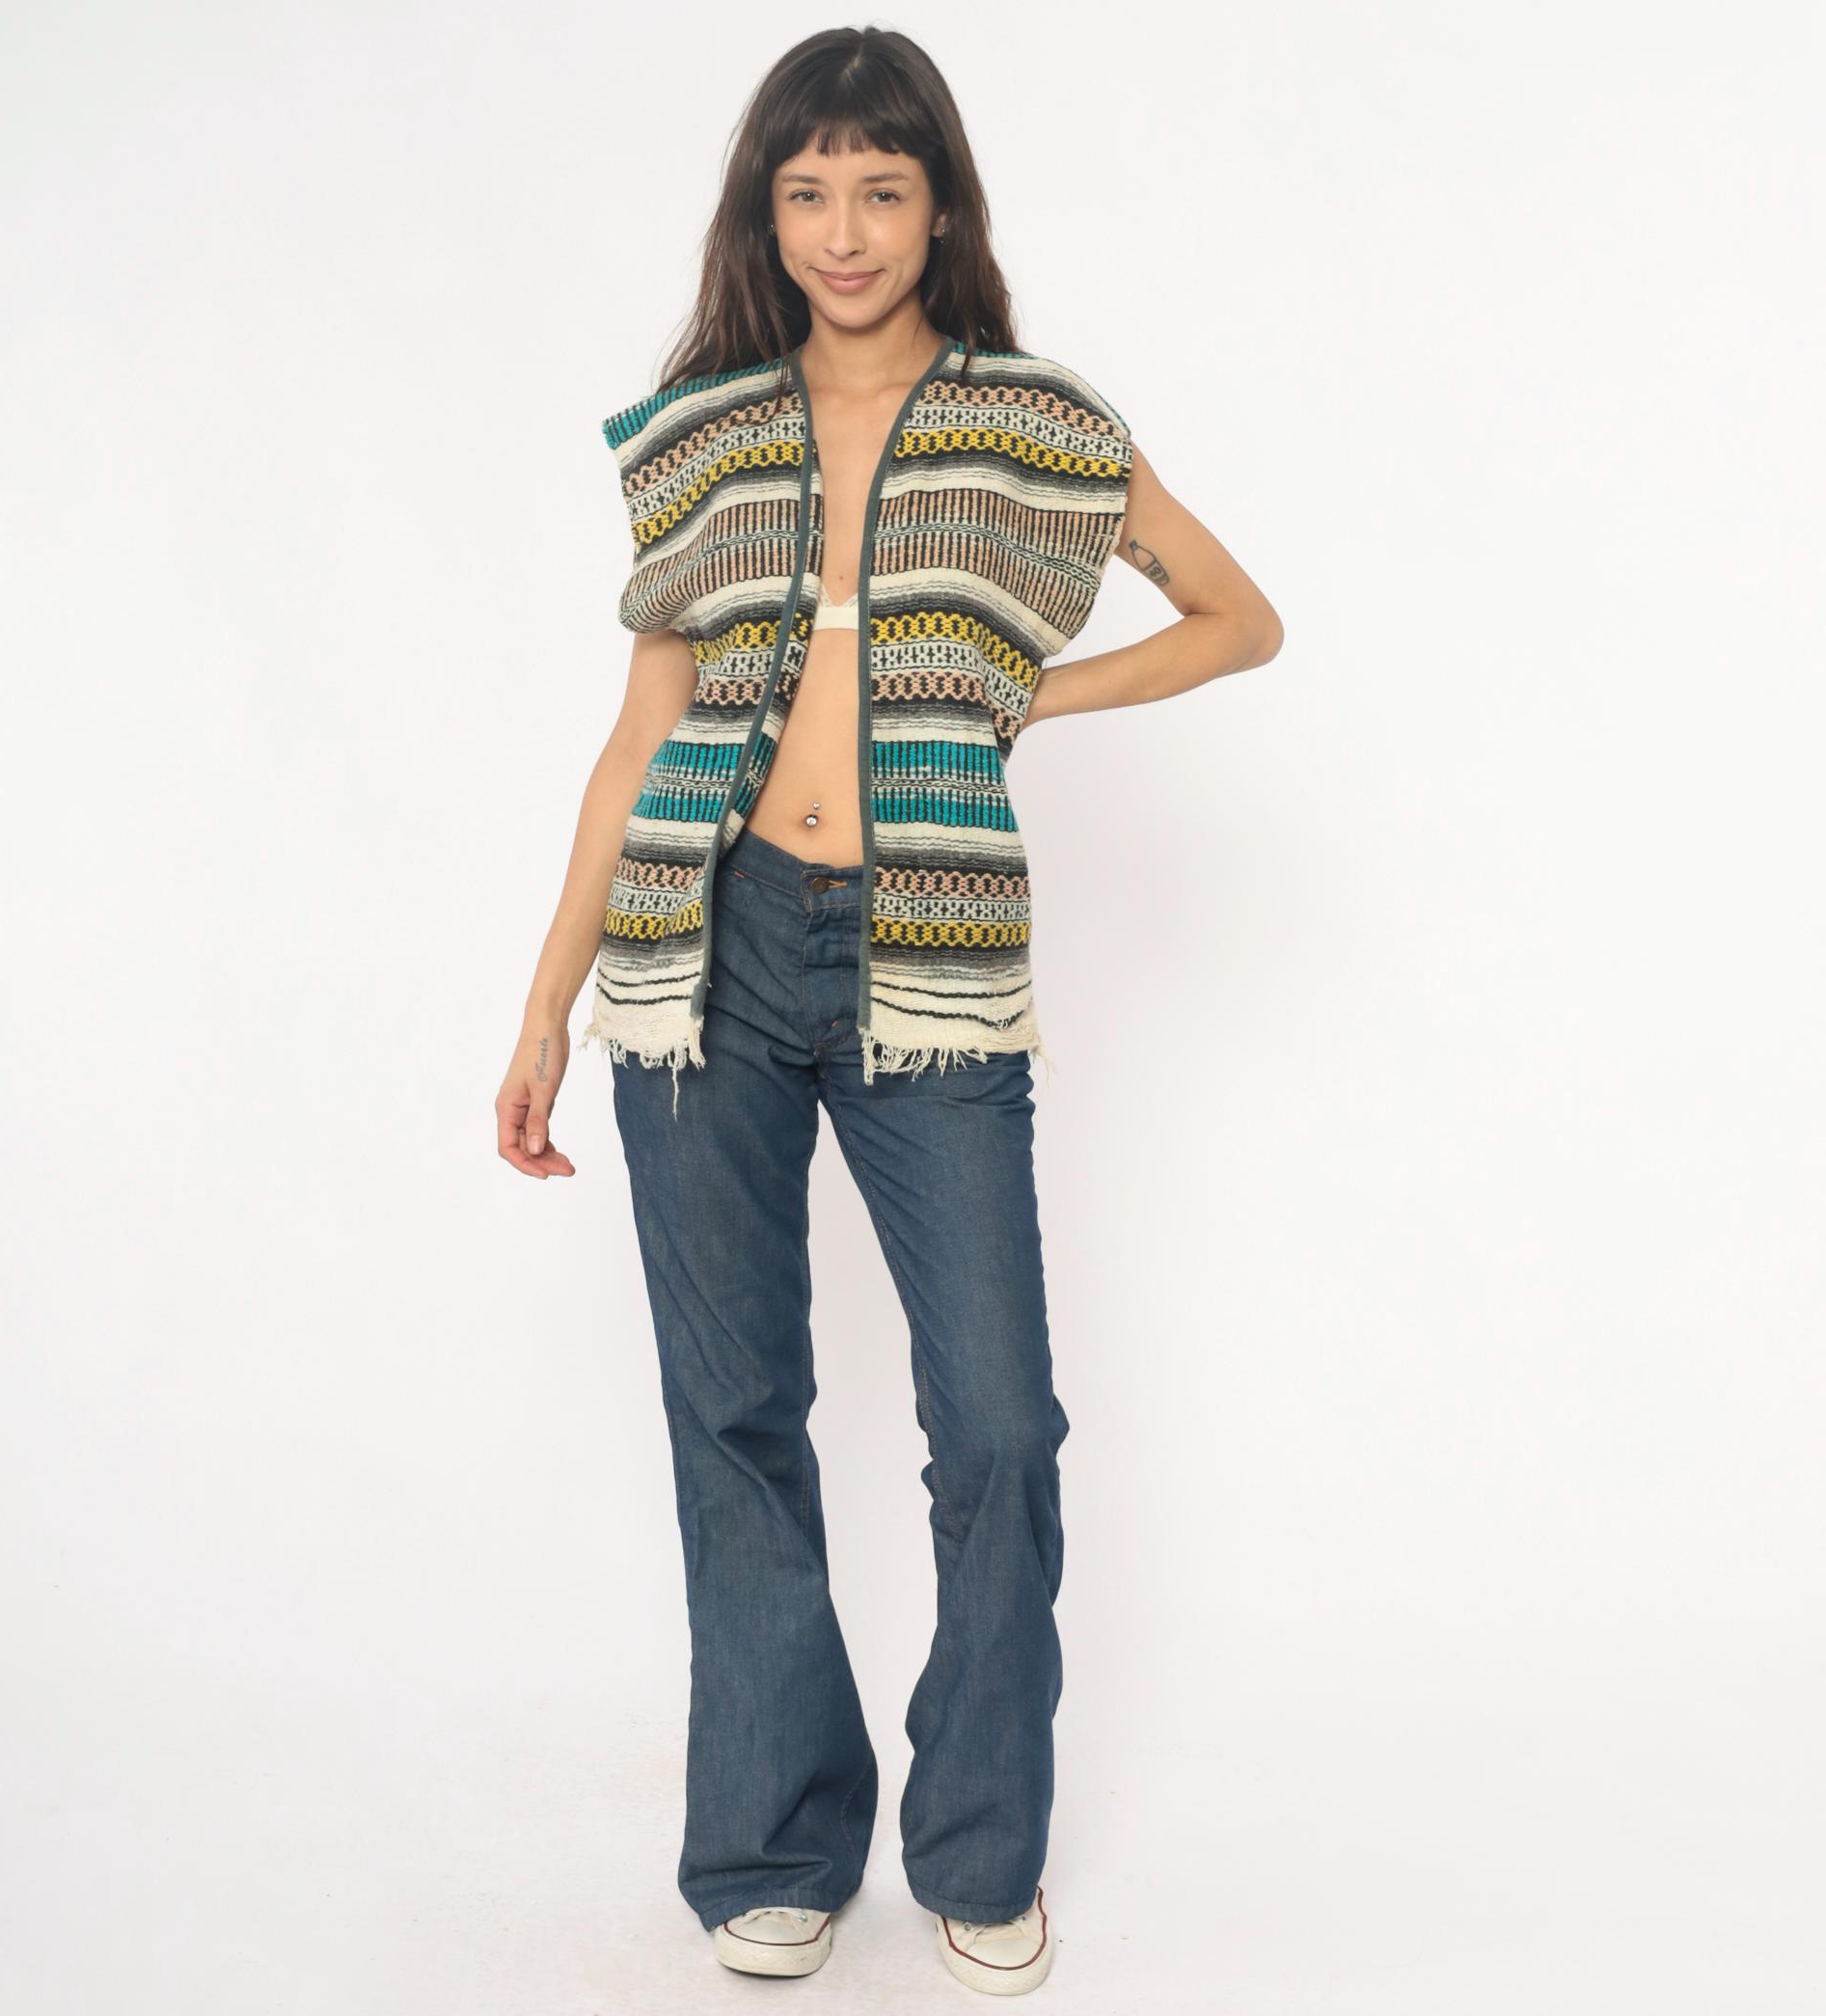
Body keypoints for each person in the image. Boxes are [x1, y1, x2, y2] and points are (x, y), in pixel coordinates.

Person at [496, 25, 1283, 1996]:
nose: (843, 230)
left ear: (940, 208)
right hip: (698, 955)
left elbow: (1237, 616)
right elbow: (636, 741)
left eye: (881, 188)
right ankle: (774, 1842)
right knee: (735, 1414)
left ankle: (980, 1839)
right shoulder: (699, 431)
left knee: (998, 1420)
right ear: (764, 213)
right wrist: (544, 1004)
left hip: (931, 958)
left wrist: (1037, 691)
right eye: (807, 191)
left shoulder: (1034, 421)